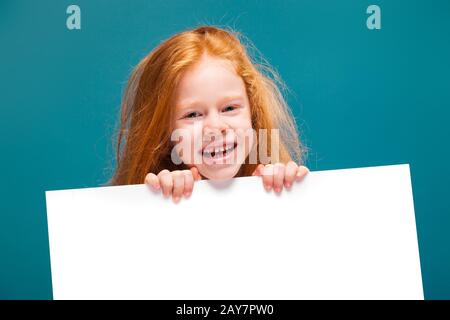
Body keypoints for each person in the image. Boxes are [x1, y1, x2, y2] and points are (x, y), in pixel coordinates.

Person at [108, 25, 309, 202]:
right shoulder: (156, 195)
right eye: (193, 115)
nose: (215, 127)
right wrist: (158, 198)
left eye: (229, 108)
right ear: (163, 130)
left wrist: (288, 194)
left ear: (252, 112)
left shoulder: (275, 181)